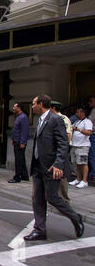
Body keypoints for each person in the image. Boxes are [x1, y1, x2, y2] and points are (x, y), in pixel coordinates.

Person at [24, 94, 83, 241]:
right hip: (38, 166)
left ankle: (76, 218)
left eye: (34, 104)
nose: (32, 106)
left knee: (52, 198)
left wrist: (58, 164)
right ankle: (40, 230)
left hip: (51, 167)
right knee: (37, 199)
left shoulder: (56, 119)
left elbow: (63, 144)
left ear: (41, 104)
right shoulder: (40, 120)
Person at [50, 101, 73, 203]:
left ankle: (64, 200)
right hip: (53, 150)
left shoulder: (63, 119)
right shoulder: (51, 118)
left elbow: (67, 136)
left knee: (61, 174)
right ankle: (54, 197)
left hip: (61, 150)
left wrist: (63, 151)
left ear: (53, 108)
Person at [68, 106, 93, 189]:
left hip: (83, 145)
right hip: (75, 145)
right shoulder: (77, 121)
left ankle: (84, 180)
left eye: (78, 112)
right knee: (77, 163)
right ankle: (78, 178)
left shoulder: (87, 122)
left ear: (82, 112)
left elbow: (89, 132)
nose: (76, 113)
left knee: (83, 163)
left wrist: (78, 129)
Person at [9, 103, 30, 183]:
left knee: (18, 160)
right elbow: (16, 130)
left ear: (19, 108)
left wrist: (23, 142)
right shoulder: (18, 117)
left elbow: (24, 131)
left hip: (20, 142)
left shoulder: (23, 117)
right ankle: (25, 176)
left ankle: (17, 177)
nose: (13, 108)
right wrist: (13, 139)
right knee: (21, 159)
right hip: (16, 140)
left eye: (14, 107)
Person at [88, 96, 95, 182]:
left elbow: (89, 121)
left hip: (93, 134)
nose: (89, 103)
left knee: (92, 155)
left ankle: (93, 174)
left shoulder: (94, 111)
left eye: (91, 101)